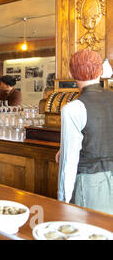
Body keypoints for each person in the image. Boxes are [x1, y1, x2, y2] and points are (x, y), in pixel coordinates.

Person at [56, 49, 112, 215]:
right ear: (100, 70)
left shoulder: (72, 109)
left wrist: (63, 200)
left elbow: (69, 161)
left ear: (71, 72)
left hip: (91, 182)